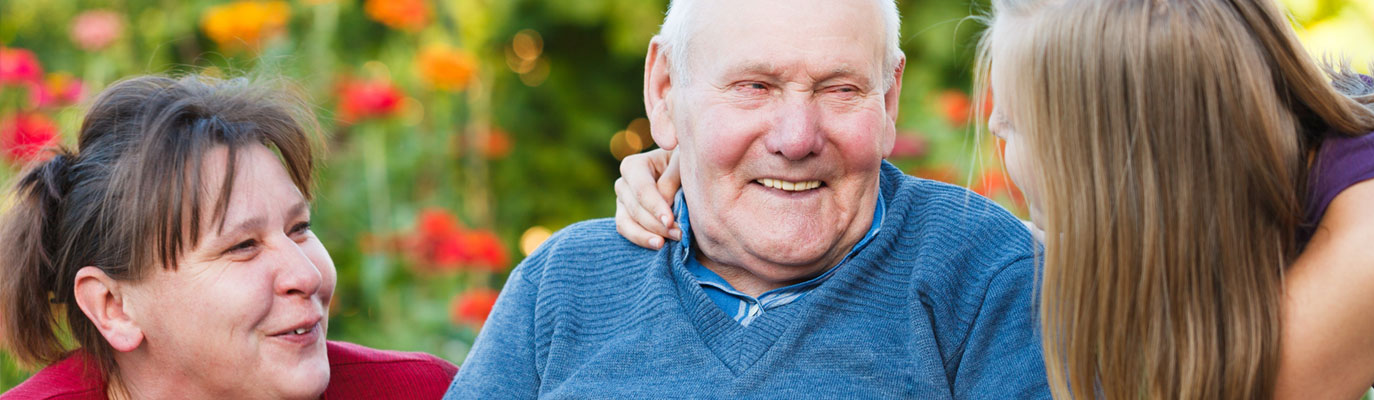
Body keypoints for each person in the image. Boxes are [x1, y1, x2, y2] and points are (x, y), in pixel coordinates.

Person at [614, 0, 1374, 398]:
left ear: (1119, 156)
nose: (992, 123)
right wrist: (720, 170)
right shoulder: (1280, 168)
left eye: (1021, 121)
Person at [445, 0, 1050, 398]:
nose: (797, 138)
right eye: (754, 87)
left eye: (840, 89)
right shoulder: (564, 283)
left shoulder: (987, 277)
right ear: (664, 91)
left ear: (888, 100)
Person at [0, 75, 456, 399]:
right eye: (243, 246)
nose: (308, 274)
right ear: (113, 307)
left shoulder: (427, 392)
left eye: (300, 229)